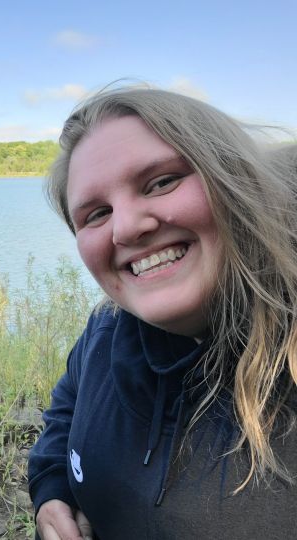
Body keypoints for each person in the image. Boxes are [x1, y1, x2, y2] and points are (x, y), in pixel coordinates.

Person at [27, 86, 297, 539]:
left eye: (161, 182)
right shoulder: (106, 328)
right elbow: (68, 407)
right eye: (97, 214)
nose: (127, 227)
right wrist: (52, 487)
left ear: (236, 179)